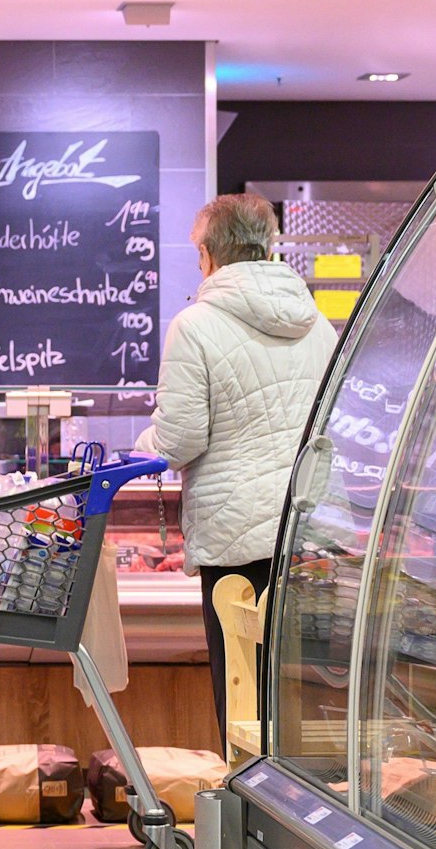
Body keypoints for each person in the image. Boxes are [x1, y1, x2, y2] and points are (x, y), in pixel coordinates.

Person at [137, 193, 335, 748]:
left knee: (242, 690)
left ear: (207, 254)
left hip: (234, 539)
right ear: (267, 246)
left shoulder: (195, 325)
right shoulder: (318, 324)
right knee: (293, 690)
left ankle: (244, 793)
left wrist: (138, 447)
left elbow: (179, 440)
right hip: (305, 532)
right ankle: (293, 795)